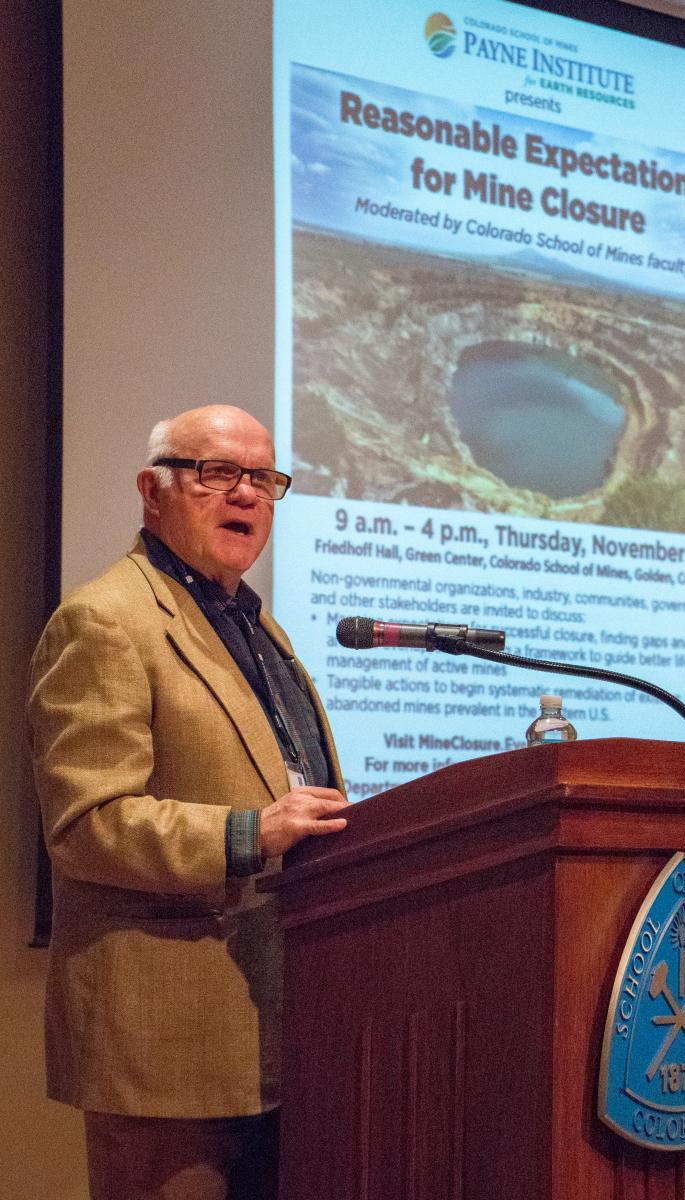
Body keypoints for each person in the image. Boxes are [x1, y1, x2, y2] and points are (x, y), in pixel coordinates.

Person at [27, 404, 349, 1199]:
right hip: (170, 1045)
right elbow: (88, 824)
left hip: (283, 1024)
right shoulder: (104, 622)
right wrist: (252, 832)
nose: (245, 494)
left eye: (263, 478)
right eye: (216, 473)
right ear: (153, 489)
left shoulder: (255, 627)